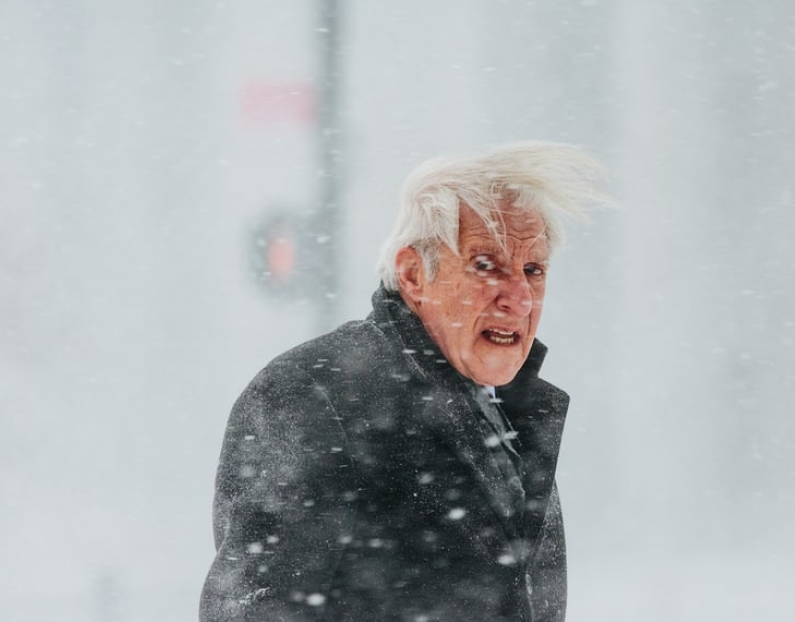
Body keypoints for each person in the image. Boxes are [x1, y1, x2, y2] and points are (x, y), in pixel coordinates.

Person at [200, 141, 606, 621]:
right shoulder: (315, 395)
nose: (519, 298)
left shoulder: (506, 416)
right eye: (485, 265)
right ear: (414, 274)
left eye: (533, 270)